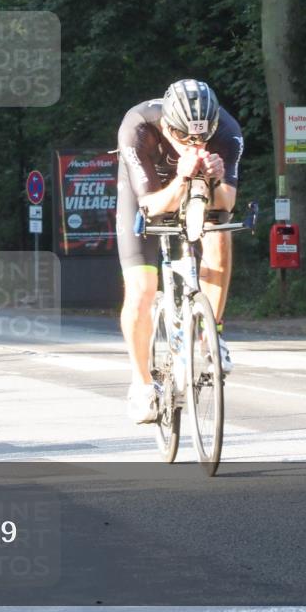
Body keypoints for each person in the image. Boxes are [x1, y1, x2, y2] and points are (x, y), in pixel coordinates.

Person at [115, 79, 244, 423]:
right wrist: (183, 178)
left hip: (197, 188)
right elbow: (152, 205)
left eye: (203, 137)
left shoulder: (228, 131)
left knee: (220, 234)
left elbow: (227, 202)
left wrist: (215, 179)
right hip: (149, 192)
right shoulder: (139, 127)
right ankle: (142, 384)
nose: (196, 144)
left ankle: (210, 335)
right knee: (142, 289)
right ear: (169, 127)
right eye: (186, 138)